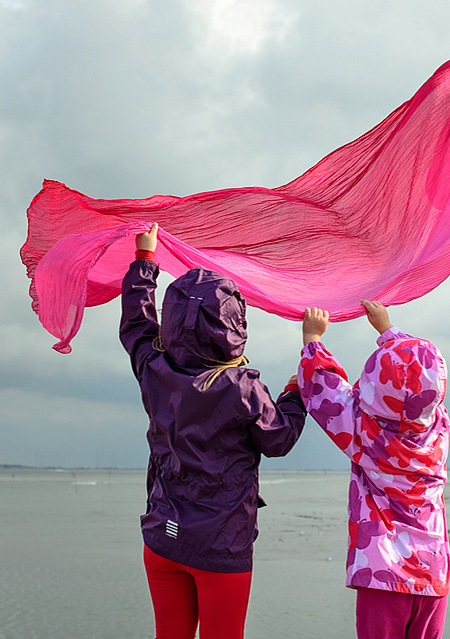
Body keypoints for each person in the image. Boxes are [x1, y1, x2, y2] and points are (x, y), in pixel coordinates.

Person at [120, 223, 307, 639]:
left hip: (163, 535)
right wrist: (295, 394)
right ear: (234, 326)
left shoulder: (154, 368)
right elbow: (278, 439)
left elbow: (136, 324)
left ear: (171, 321)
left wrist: (145, 261)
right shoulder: (241, 388)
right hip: (220, 545)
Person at [299, 300, 450, 639]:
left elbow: (324, 390)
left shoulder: (364, 433)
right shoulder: (437, 428)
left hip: (381, 573)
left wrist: (313, 340)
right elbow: (420, 372)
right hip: (432, 572)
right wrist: (388, 330)